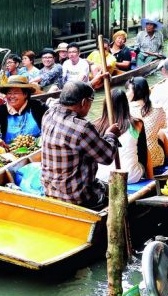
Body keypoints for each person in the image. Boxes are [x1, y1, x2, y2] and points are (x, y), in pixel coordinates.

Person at [41, 81, 119, 209]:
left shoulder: (49, 112)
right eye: (90, 102)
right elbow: (107, 157)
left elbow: (53, 100)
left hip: (50, 191)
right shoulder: (82, 128)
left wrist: (93, 83)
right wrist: (111, 135)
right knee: (112, 192)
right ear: (84, 102)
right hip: (77, 198)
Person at [95, 89, 152, 184]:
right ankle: (151, 179)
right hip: (131, 176)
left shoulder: (96, 125)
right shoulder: (137, 124)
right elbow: (143, 155)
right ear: (126, 104)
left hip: (102, 177)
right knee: (144, 154)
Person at [0, 75, 47, 144]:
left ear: (25, 94)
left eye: (16, 93)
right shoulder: (2, 109)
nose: (12, 96)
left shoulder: (37, 106)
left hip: (37, 149)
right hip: (10, 151)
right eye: (9, 93)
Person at [126, 77, 168, 167]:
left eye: (128, 89)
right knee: (161, 133)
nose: (126, 93)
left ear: (136, 92)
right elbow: (163, 126)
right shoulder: (157, 109)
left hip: (133, 159)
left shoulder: (125, 110)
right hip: (153, 159)